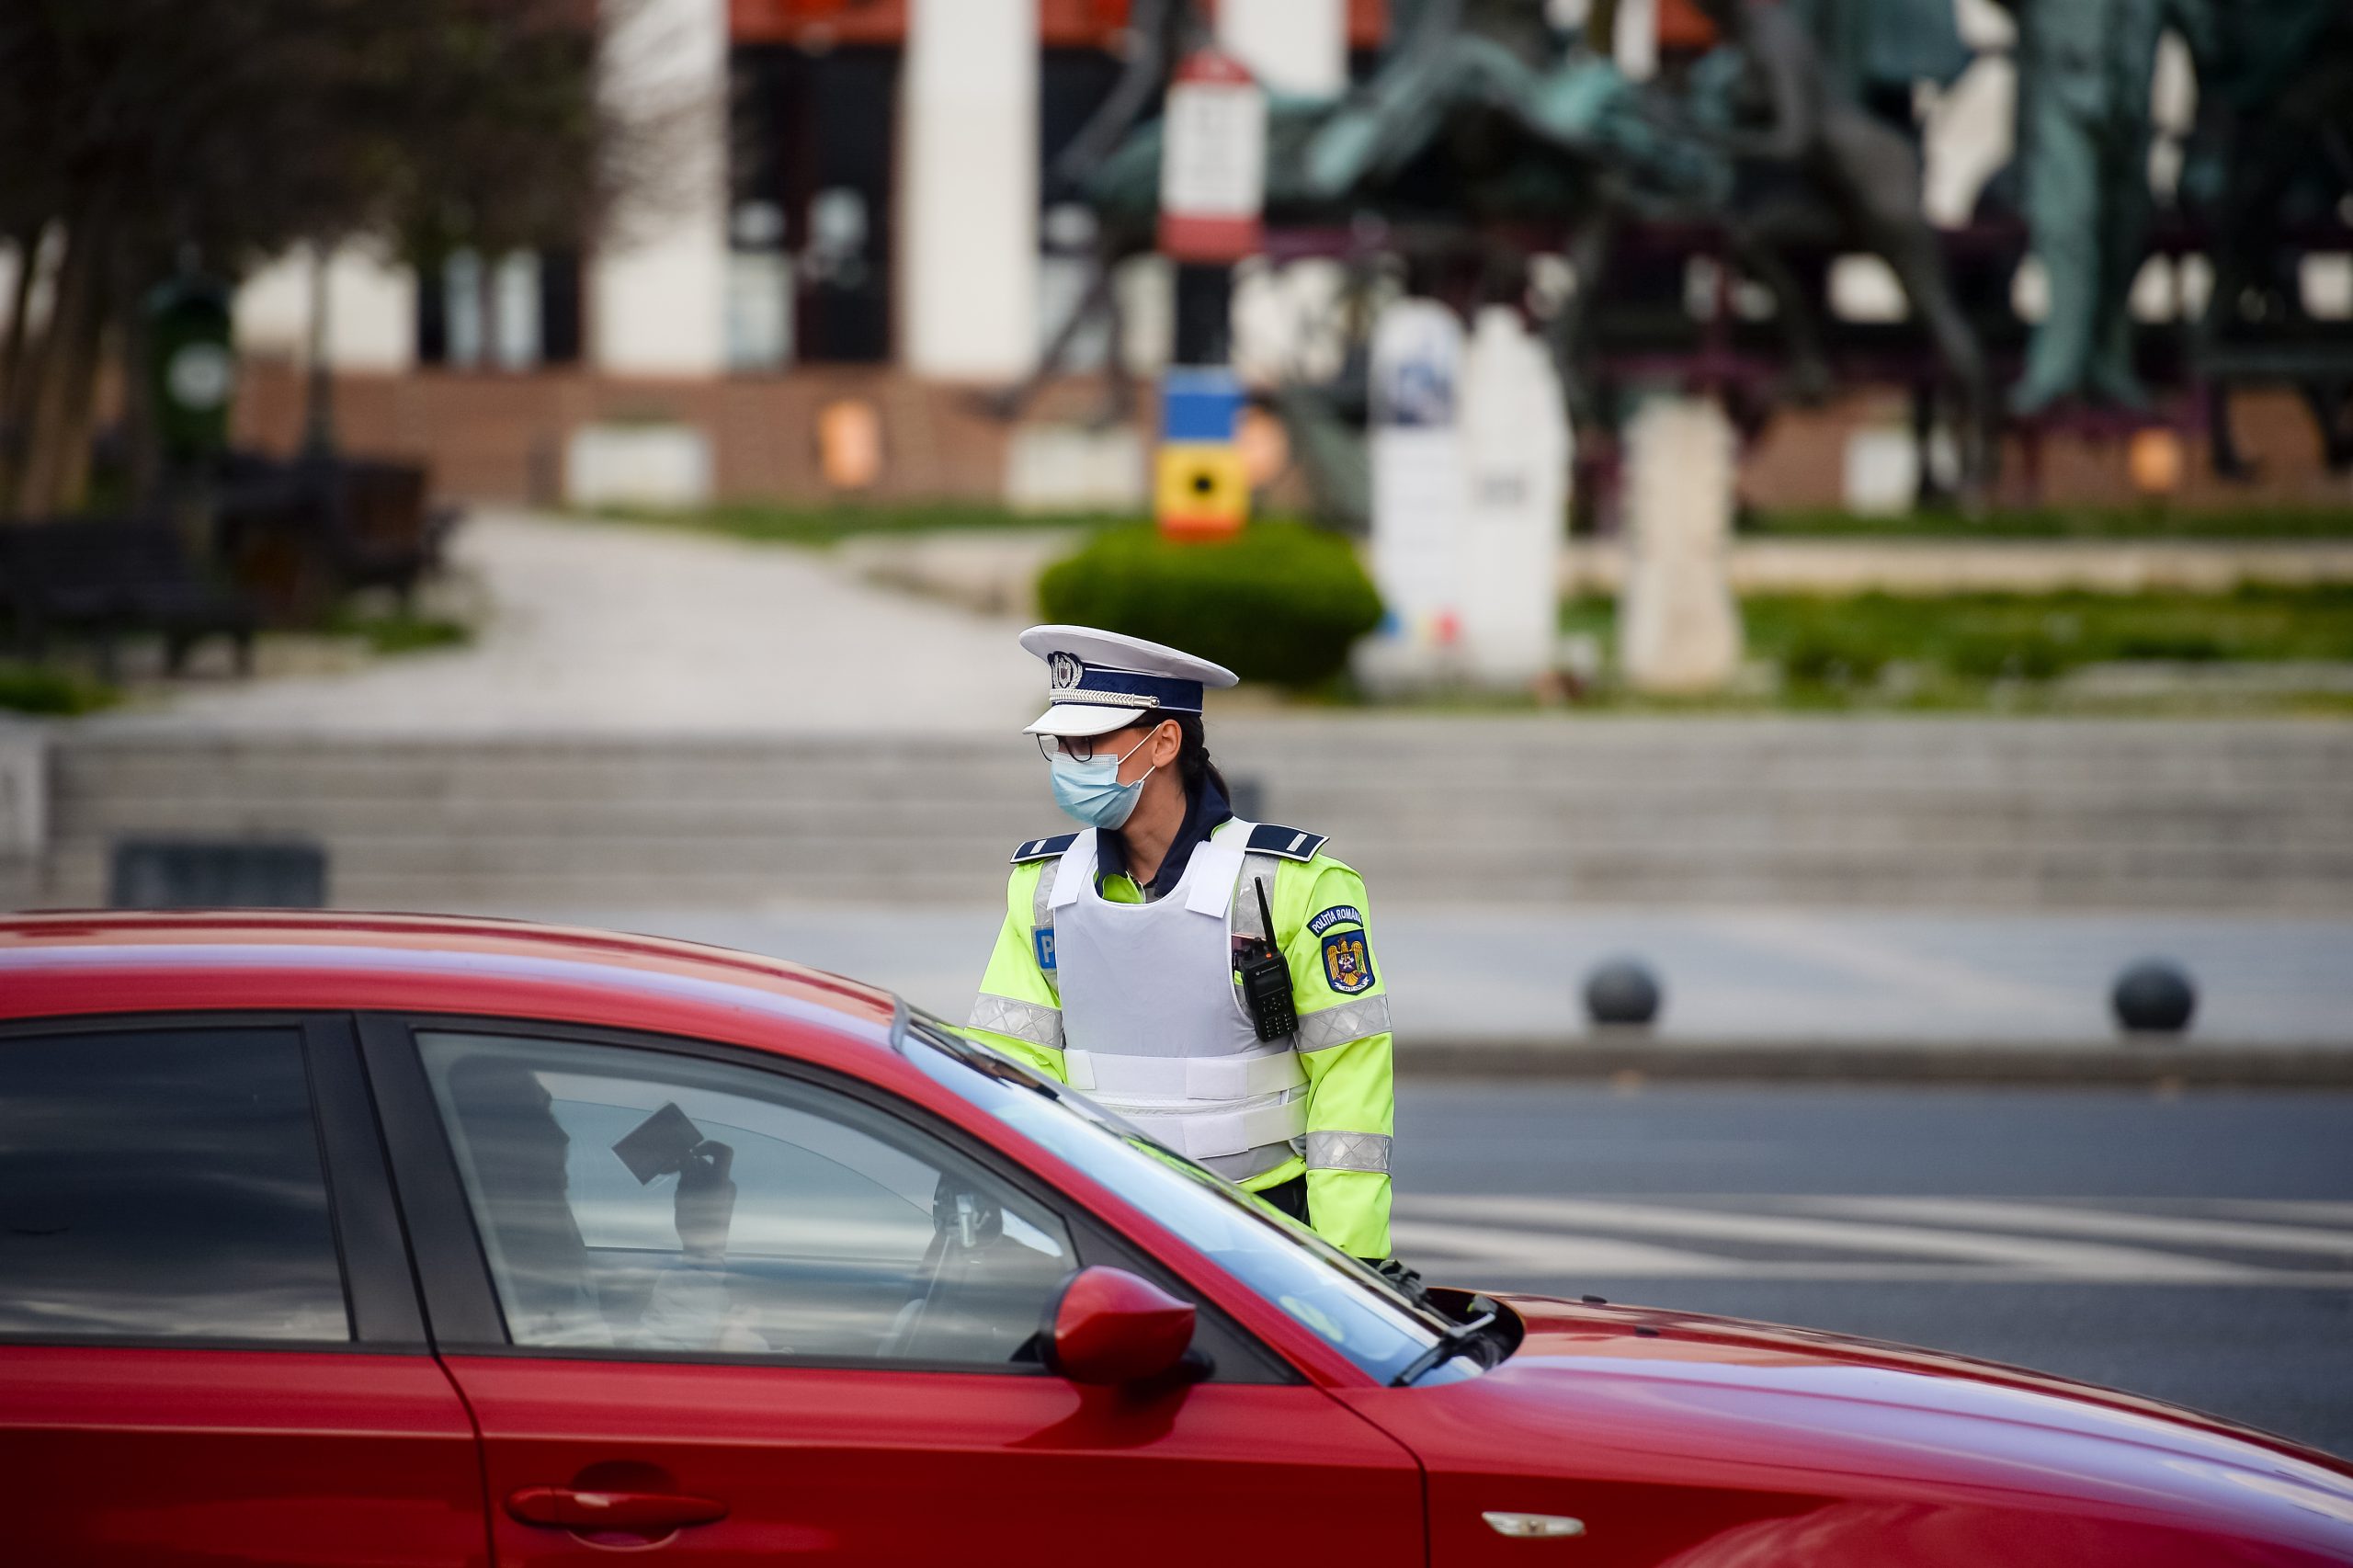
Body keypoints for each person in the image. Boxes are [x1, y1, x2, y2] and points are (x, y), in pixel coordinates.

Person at [964, 625, 1400, 1268]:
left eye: (1089, 743)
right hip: (1105, 1230)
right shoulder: (1044, 888)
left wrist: (1346, 1267)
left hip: (1263, 1233)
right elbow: (1011, 1070)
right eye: (1061, 745)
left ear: (1165, 741)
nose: (1069, 762)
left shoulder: (1293, 883)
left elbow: (1351, 1088)